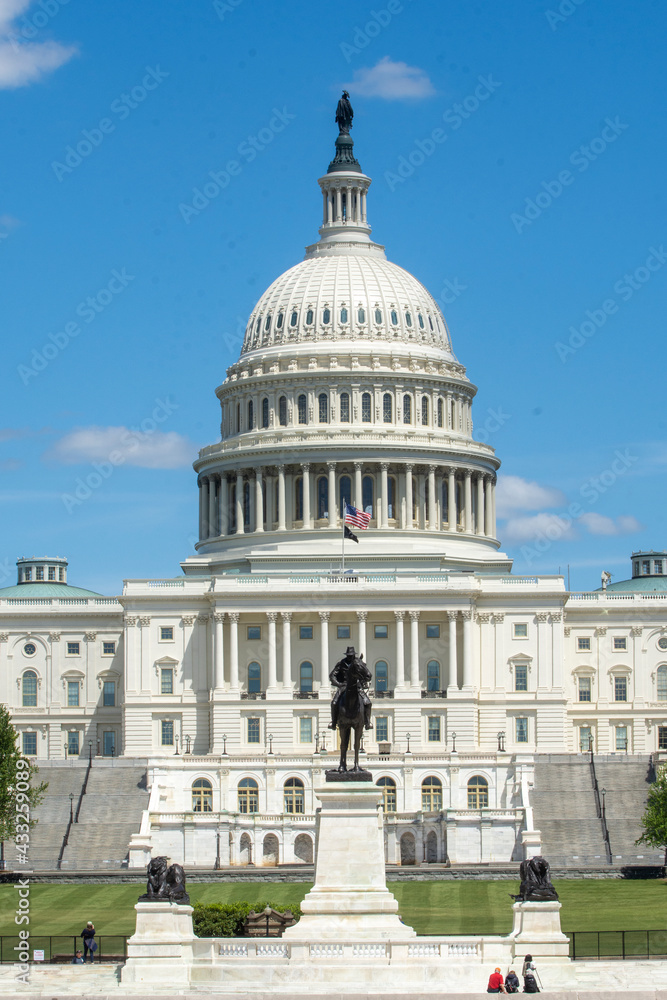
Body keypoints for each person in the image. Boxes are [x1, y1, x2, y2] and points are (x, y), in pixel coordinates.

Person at [328, 647, 372, 730]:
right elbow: (332, 675)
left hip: (357, 686)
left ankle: (367, 722)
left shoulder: (358, 663)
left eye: (351, 655)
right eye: (348, 655)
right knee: (334, 703)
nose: (350, 657)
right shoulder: (341, 663)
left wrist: (363, 683)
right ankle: (334, 722)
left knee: (368, 703)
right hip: (344, 686)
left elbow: (364, 673)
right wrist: (339, 684)